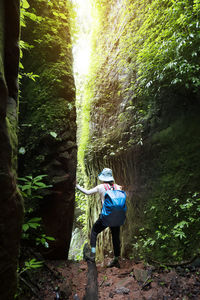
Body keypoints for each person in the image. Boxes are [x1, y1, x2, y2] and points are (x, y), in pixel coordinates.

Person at [76, 168, 122, 268]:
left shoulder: (101, 187)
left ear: (103, 178)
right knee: (115, 237)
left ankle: (92, 255)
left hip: (106, 216)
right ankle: (116, 259)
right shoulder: (117, 187)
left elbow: (87, 192)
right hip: (117, 216)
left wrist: (77, 185)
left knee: (94, 231)